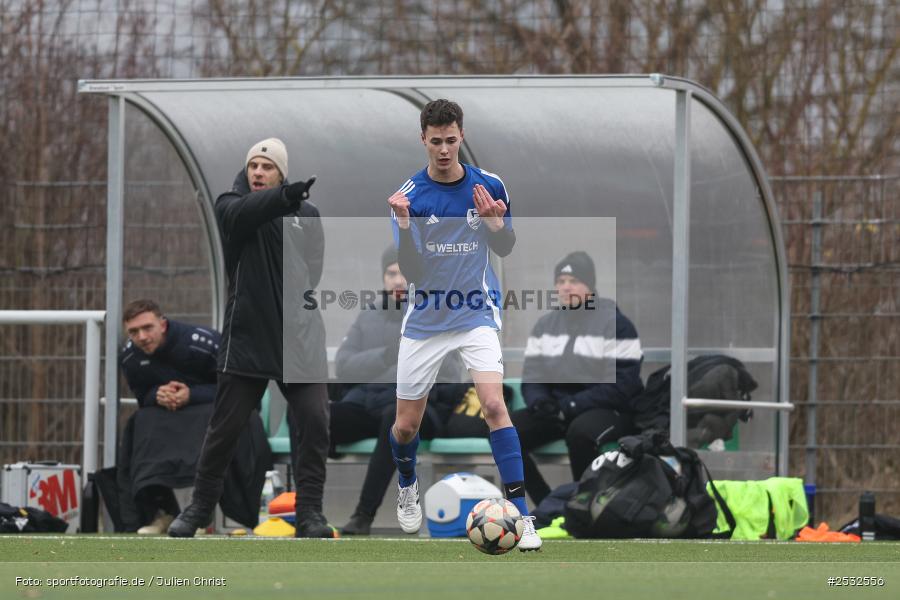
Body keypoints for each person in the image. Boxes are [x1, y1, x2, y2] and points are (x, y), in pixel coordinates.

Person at [386, 99, 541, 550]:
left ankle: (522, 516)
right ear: (423, 140)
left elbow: (506, 247)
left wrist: (495, 225)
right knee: (405, 428)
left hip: (476, 311)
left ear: (461, 136)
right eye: (435, 141)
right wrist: (402, 223)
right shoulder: (408, 197)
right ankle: (408, 483)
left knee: (495, 406)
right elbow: (411, 272)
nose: (443, 150)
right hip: (426, 319)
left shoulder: (489, 186)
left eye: (451, 140)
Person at [168, 137, 334, 538]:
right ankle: (198, 510)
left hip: (300, 339)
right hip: (247, 338)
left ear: (281, 172)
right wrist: (283, 197)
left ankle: (310, 514)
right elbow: (244, 213)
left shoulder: (305, 213)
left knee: (314, 422)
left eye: (267, 167)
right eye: (253, 166)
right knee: (225, 430)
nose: (257, 172)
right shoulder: (231, 205)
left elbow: (313, 269)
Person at [331, 246, 463, 535]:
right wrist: (388, 355)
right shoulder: (369, 315)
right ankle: (305, 512)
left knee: (395, 417)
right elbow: (344, 365)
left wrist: (403, 365)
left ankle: (363, 515)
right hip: (368, 403)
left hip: (421, 411)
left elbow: (451, 372)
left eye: (404, 273)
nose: (398, 281)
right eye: (391, 273)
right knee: (314, 415)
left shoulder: (436, 314)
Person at [118, 299, 270, 534]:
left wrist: (192, 394)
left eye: (147, 328)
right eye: (133, 332)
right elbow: (142, 396)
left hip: (214, 409)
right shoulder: (130, 356)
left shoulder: (204, 343)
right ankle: (161, 511)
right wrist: (156, 395)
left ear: (163, 324)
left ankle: (205, 512)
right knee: (141, 421)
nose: (142, 337)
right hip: (171, 415)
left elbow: (240, 389)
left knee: (226, 422)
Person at [511, 251, 644, 506]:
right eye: (560, 281)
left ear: (590, 286)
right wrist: (541, 403)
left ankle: (583, 506)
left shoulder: (617, 324)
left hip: (609, 410)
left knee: (580, 433)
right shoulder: (545, 325)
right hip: (560, 411)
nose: (566, 287)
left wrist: (570, 406)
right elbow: (533, 376)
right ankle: (548, 503)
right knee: (504, 432)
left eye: (574, 280)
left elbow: (622, 386)